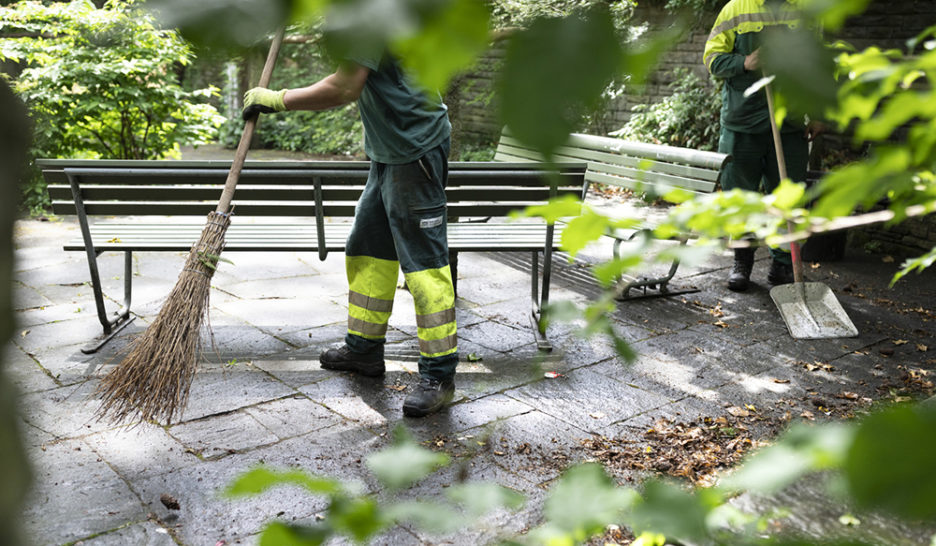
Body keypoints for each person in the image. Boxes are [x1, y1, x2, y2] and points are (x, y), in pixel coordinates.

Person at [242, 52, 458, 417]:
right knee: (368, 247)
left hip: (414, 148)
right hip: (390, 151)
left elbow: (344, 87)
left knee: (424, 266)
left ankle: (439, 376)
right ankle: (364, 349)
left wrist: (279, 98)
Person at [703, 0, 822, 292]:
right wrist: (744, 63)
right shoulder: (736, 9)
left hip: (789, 124)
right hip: (743, 123)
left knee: (789, 196)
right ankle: (742, 261)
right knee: (739, 196)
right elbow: (712, 59)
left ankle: (783, 265)